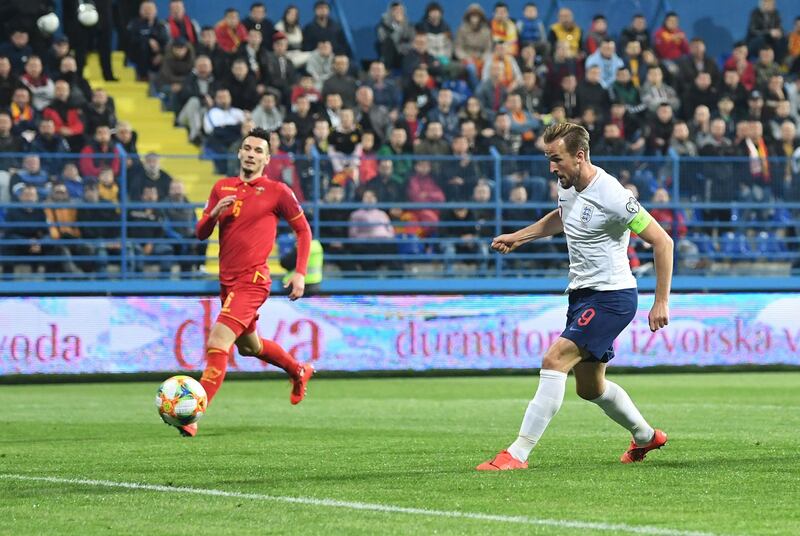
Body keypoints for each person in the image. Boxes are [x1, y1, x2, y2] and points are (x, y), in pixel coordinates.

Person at [477, 122, 673, 470]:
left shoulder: (613, 195)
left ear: (580, 156)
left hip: (612, 297)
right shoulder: (567, 184)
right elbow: (563, 217)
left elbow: (662, 241)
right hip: (582, 295)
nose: (552, 168)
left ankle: (517, 454)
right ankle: (645, 437)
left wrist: (661, 301)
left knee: (554, 360)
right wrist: (520, 237)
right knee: (590, 388)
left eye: (557, 159)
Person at [187, 127, 314, 438]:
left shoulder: (278, 192)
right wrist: (213, 214)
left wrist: (299, 272)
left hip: (254, 281)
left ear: (267, 159)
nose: (251, 154)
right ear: (239, 153)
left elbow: (304, 231)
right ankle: (298, 370)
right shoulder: (221, 188)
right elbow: (201, 233)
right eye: (247, 148)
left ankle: (192, 413)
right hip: (227, 283)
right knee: (250, 347)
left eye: (258, 150)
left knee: (218, 342)